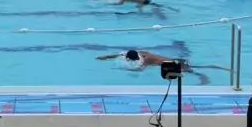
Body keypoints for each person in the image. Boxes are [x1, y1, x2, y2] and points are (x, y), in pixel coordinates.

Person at [96, 49, 229, 86]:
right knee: (198, 66)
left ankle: (206, 79)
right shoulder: (141, 53)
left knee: (195, 72)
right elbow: (120, 54)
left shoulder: (146, 60)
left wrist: (122, 69)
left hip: (175, 64)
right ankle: (220, 68)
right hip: (175, 60)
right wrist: (106, 57)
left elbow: (140, 70)